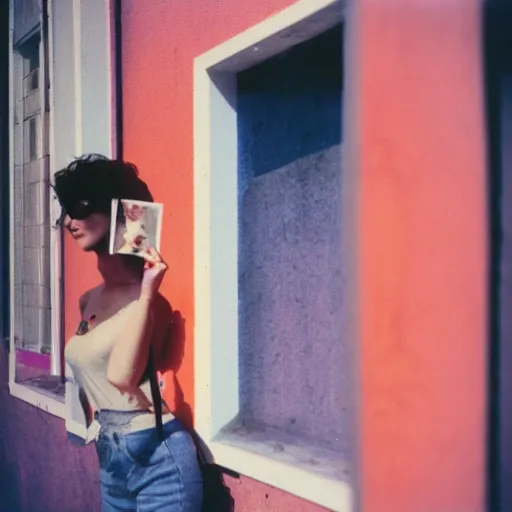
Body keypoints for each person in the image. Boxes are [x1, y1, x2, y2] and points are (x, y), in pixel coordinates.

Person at [54, 154, 203, 512]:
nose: (71, 221)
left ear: (117, 210)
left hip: (159, 460)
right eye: (66, 211)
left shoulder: (152, 303)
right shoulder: (88, 300)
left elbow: (121, 376)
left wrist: (149, 290)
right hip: (111, 459)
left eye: (81, 207)